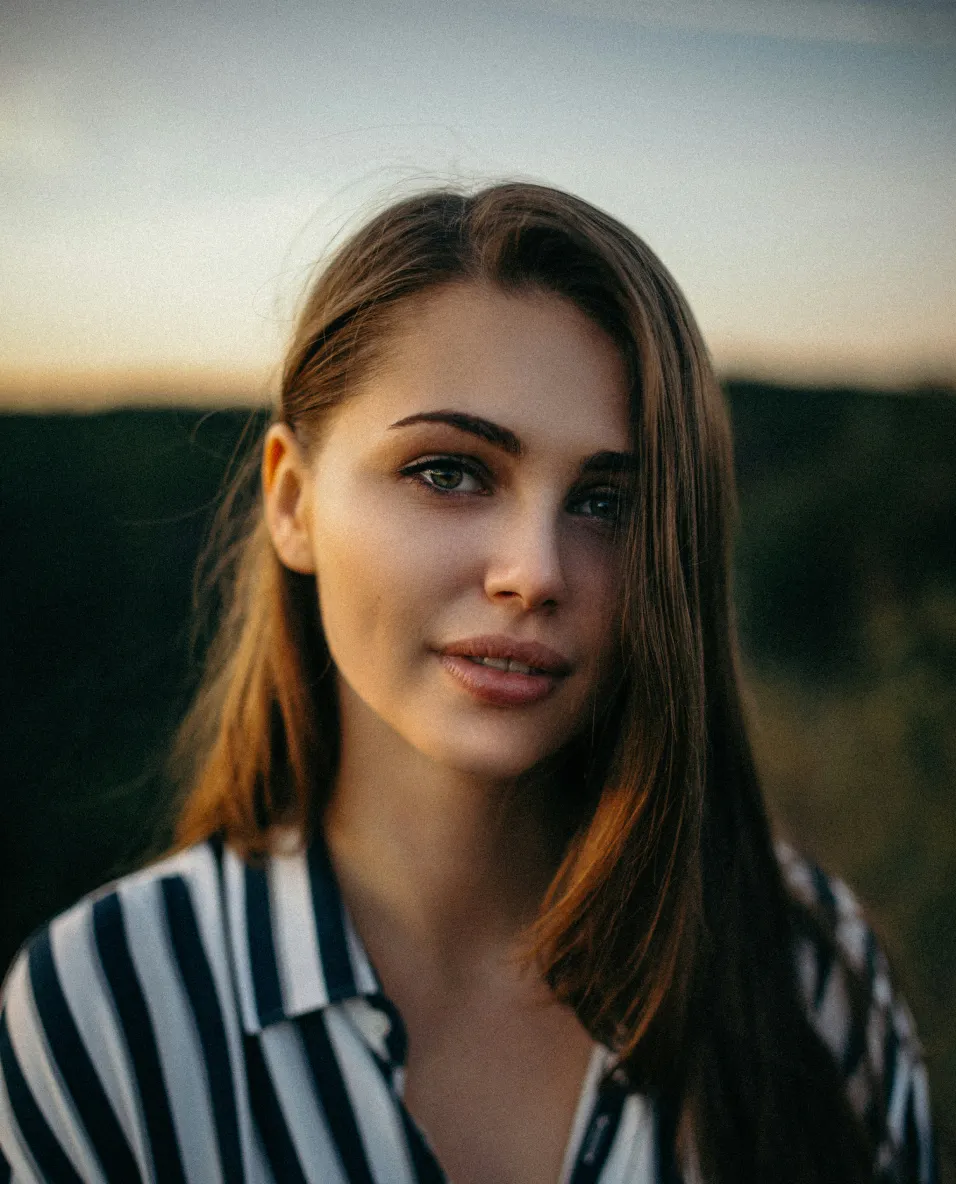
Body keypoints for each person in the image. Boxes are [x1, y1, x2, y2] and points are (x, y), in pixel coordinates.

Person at [0, 183, 937, 1184]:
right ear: (290, 500)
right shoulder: (105, 1006)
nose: (533, 570)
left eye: (607, 500)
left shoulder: (801, 969)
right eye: (450, 471)